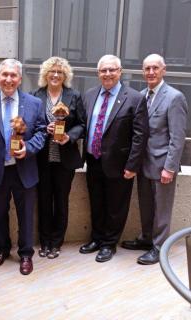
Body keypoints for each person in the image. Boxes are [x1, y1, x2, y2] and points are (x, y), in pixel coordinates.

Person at [0, 58, 46, 275]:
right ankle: (2, 249)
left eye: (13, 75)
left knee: (26, 214)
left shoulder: (34, 103)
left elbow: (42, 132)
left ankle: (26, 254)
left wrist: (29, 148)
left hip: (23, 169)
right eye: (4, 75)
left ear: (19, 78)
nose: (8, 79)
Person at [79, 54, 149, 263]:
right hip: (93, 160)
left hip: (120, 165)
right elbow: (84, 126)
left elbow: (140, 136)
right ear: (98, 73)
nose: (107, 74)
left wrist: (132, 165)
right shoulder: (90, 95)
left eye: (112, 70)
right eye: (103, 70)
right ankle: (96, 238)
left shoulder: (134, 98)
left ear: (120, 72)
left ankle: (109, 244)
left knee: (116, 206)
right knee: (97, 202)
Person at [121, 54, 188, 265]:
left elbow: (178, 137)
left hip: (162, 166)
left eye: (155, 68)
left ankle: (159, 248)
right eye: (147, 68)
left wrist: (170, 168)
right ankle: (146, 239)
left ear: (163, 70)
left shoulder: (175, 97)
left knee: (162, 210)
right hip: (143, 164)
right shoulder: (141, 95)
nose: (151, 72)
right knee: (146, 206)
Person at [31, 57, 86, 259]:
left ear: (65, 76)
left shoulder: (74, 96)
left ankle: (56, 242)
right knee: (44, 200)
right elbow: (30, 125)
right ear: (45, 74)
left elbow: (82, 124)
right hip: (42, 159)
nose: (55, 75)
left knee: (61, 200)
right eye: (52, 71)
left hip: (65, 160)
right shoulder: (36, 96)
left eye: (60, 72)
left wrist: (69, 136)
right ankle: (44, 242)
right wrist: (45, 129)